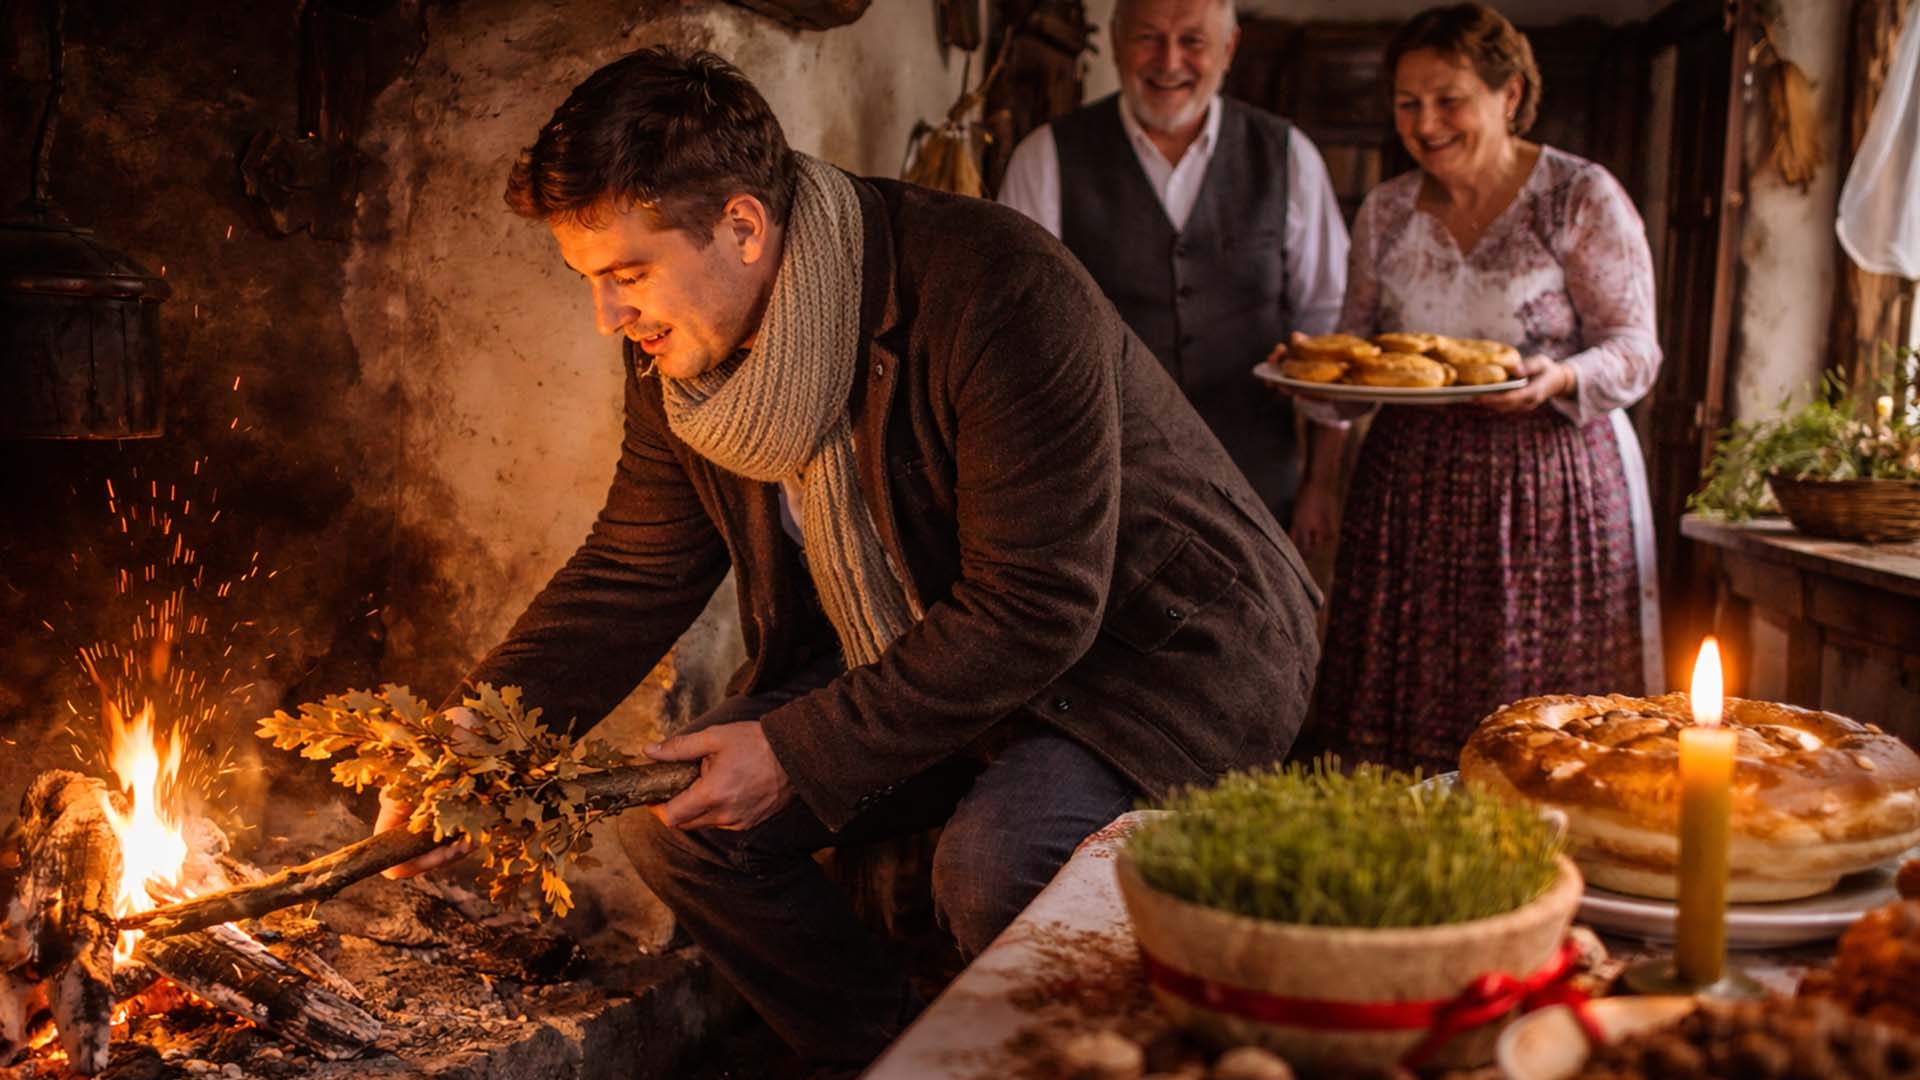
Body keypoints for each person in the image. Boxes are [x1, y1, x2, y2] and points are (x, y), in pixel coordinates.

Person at [376, 47, 1322, 1071]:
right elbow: (632, 570)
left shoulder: (998, 285)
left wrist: (797, 750)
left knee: (1001, 863)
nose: (609, 315)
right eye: (590, 281)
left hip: (1154, 654)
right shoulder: (680, 358)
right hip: (933, 630)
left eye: (627, 275)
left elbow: (1039, 604)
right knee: (677, 825)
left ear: (743, 226)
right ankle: (900, 1058)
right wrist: (470, 746)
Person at [1292, 2, 1663, 776]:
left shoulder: (1577, 196)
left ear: (1510, 94)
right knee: (1397, 715)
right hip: (1408, 493)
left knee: (1545, 730)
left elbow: (1635, 351)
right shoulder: (1388, 212)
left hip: (1551, 489)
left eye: (1449, 99)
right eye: (1408, 102)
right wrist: (1314, 425)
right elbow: (1356, 358)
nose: (1425, 123)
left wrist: (1559, 375)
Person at [997, 0, 1349, 525]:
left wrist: (1321, 482)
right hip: (1103, 486)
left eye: (1192, 40)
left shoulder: (1290, 156)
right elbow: (1016, 337)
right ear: (1115, 43)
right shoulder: (1044, 157)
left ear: (1228, 48)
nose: (1168, 61)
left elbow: (1329, 327)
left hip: (1255, 482)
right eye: (1148, 38)